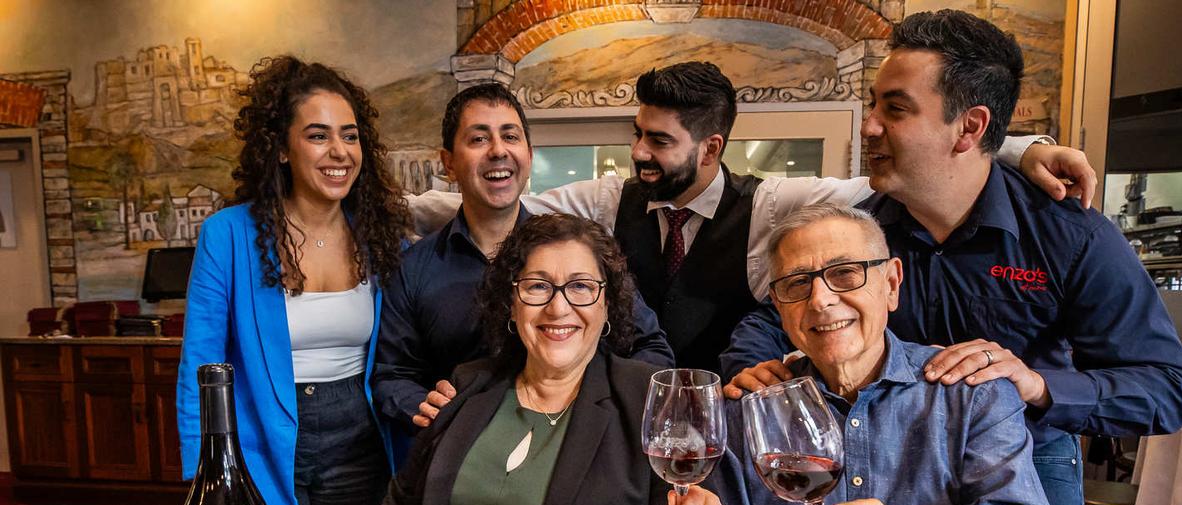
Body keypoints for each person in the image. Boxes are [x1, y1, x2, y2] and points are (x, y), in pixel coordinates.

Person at [722, 11, 1182, 505]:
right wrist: (754, 366)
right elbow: (770, 314)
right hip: (893, 451)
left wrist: (1037, 387)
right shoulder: (863, 227)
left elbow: (1169, 389)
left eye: (894, 108)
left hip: (1027, 455)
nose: (869, 127)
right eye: (874, 105)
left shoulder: (1068, 234)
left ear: (970, 127)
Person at [406, 61, 1097, 372]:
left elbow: (895, 173)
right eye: (637, 134)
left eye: (658, 141)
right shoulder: (607, 200)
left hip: (731, 423)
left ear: (711, 147)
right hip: (614, 424)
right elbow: (486, 202)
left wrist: (1014, 146)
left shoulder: (771, 204)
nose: (638, 152)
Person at [721, 204, 1067, 505]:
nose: (821, 300)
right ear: (779, 305)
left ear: (891, 284)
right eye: (797, 283)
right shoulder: (755, 407)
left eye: (845, 273)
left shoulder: (970, 393)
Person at [369, 213, 734, 505]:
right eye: (537, 286)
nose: (558, 307)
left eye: (580, 286)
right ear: (512, 305)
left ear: (607, 304)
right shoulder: (465, 385)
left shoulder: (643, 399)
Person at [178, 56, 412, 505]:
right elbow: (201, 359)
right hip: (259, 435)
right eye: (318, 135)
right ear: (282, 149)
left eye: (350, 136)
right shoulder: (230, 234)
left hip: (358, 437)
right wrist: (202, 467)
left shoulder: (381, 235)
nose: (339, 152)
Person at [372, 83, 673, 460]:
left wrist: (608, 402)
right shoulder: (413, 268)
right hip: (463, 457)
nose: (498, 150)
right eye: (479, 138)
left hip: (581, 453)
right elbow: (392, 374)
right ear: (448, 163)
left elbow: (653, 349)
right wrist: (422, 405)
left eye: (510, 136)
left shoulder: (581, 252)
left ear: (529, 155)